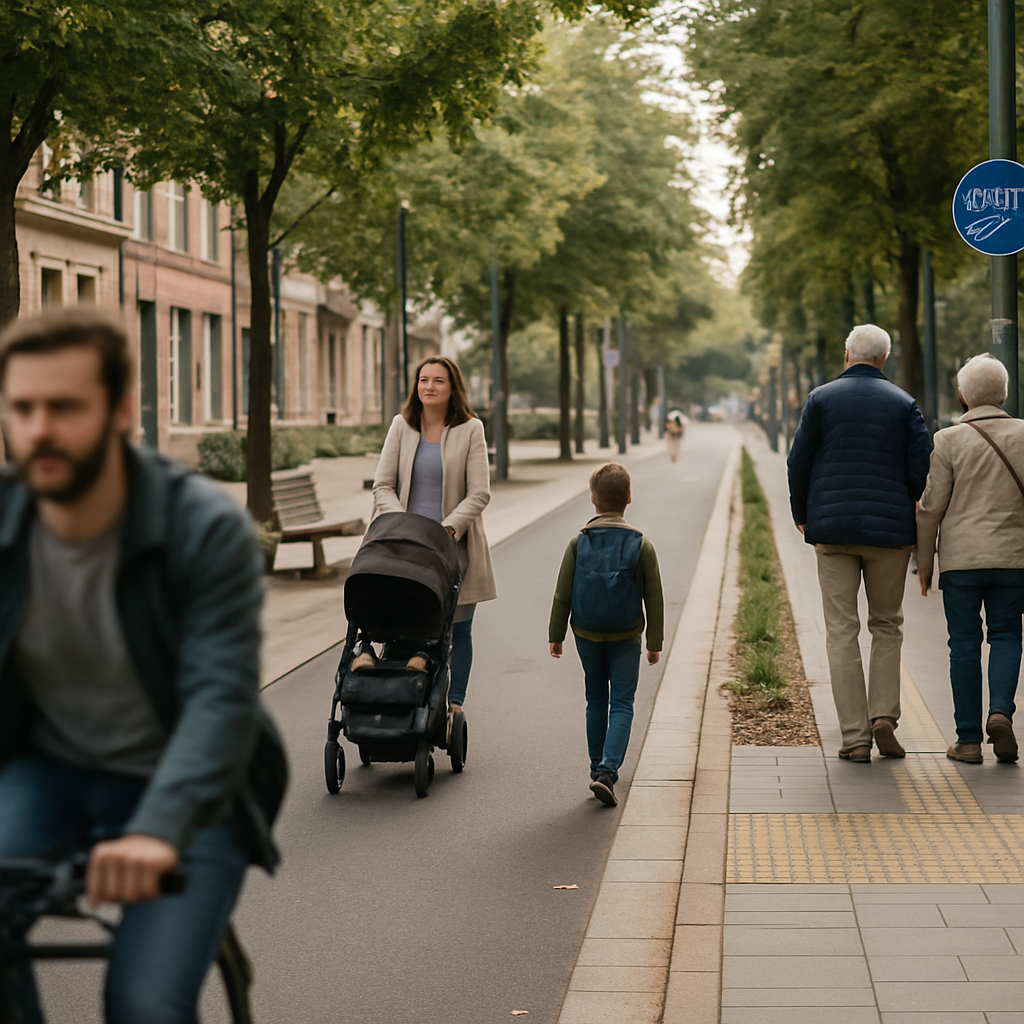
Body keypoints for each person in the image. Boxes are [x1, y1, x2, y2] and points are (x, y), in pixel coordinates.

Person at [0, 307, 287, 1024]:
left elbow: (218, 699)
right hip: (47, 770)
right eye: (20, 407)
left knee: (144, 1003)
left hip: (192, 787)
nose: (38, 430)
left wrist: (160, 827)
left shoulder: (203, 527)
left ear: (122, 410)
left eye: (63, 407)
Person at [787, 324, 931, 763]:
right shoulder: (905, 404)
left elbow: (798, 461)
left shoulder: (820, 399)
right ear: (883, 359)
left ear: (847, 354)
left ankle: (854, 737)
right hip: (890, 534)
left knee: (841, 631)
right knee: (887, 624)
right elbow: (921, 469)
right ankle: (884, 715)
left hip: (832, 531)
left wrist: (802, 515)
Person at [365, 356, 496, 721]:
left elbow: (479, 493)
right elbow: (383, 485)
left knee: (459, 628)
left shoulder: (471, 429)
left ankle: (454, 705)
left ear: (452, 387)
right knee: (402, 620)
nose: (429, 387)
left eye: (438, 381)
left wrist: (448, 528)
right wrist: (400, 524)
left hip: (451, 545)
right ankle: (398, 696)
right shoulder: (401, 426)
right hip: (402, 544)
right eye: (424, 380)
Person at [916, 355, 1022, 764]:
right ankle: (1000, 712)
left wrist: (925, 564)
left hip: (961, 562)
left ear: (962, 395)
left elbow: (930, 508)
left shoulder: (948, 440)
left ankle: (968, 740)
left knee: (963, 644)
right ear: (1004, 394)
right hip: (1014, 560)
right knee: (1007, 635)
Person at [548, 463, 664, 807]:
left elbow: (562, 593)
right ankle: (608, 772)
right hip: (627, 636)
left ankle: (596, 765)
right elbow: (653, 597)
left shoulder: (578, 542)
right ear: (629, 498)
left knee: (595, 699)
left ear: (593, 499)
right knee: (623, 703)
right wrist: (654, 643)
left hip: (586, 632)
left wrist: (557, 635)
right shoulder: (642, 545)